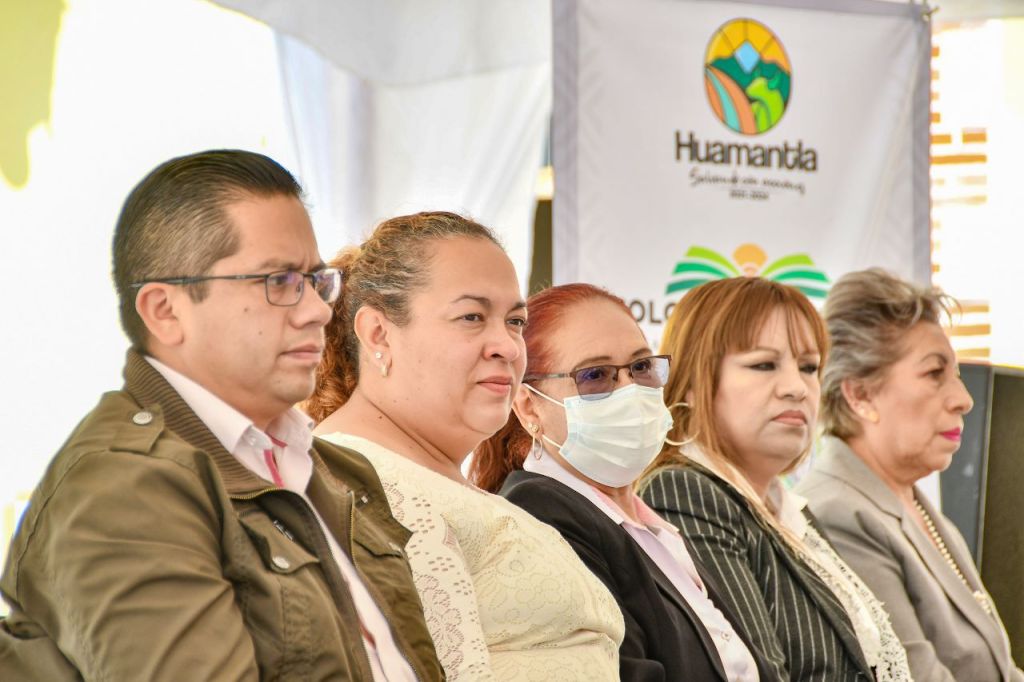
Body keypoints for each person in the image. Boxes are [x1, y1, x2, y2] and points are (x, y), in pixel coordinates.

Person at [0, 150, 444, 681]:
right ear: (165, 311)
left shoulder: (335, 469)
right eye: (279, 281)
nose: (318, 310)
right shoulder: (124, 488)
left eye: (314, 279)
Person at [305, 213, 624, 681]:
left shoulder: (416, 480)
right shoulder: (362, 486)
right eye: (471, 317)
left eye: (515, 321)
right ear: (378, 334)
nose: (507, 346)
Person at [472, 282, 776, 681]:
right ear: (529, 407)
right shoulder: (540, 517)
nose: (631, 390)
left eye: (641, 367)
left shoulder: (649, 527)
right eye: (596, 375)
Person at [639, 276, 912, 682]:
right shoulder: (684, 492)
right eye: (763, 364)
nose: (797, 388)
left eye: (809, 367)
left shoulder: (789, 511)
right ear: (694, 382)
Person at [797, 268, 1023, 681]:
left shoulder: (913, 505)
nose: (963, 399)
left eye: (956, 375)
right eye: (935, 374)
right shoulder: (838, 515)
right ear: (861, 395)